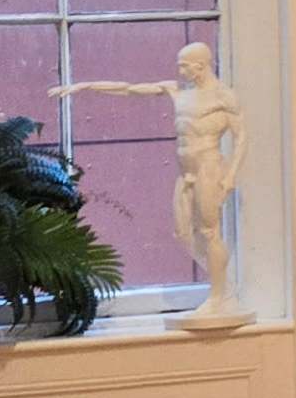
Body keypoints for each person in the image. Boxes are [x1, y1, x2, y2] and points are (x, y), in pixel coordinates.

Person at [55, 41, 246, 324]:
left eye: (184, 64)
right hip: (186, 171)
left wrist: (231, 175)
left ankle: (219, 296)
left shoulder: (222, 97)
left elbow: (241, 137)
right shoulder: (176, 90)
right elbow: (129, 88)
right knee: (184, 233)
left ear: (200, 65)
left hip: (209, 167)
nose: (180, 70)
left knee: (209, 231)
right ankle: (222, 284)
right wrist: (84, 86)